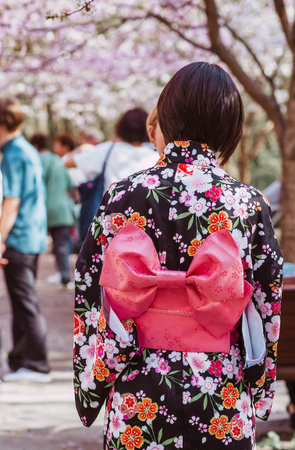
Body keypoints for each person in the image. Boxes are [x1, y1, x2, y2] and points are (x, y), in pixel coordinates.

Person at [73, 63, 283, 449]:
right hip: (220, 391)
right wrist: (261, 387)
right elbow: (267, 304)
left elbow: (90, 289)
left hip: (140, 387)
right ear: (230, 125)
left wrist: (93, 381)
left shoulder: (123, 194)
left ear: (166, 115)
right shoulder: (249, 203)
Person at [0, 98, 50, 382]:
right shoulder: (25, 149)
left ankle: (35, 363)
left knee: (24, 302)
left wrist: (0, 237)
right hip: (30, 235)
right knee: (22, 301)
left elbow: (12, 201)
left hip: (19, 236)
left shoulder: (14, 153)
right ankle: (22, 360)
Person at [65, 108, 158, 241]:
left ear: (120, 128)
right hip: (144, 224)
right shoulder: (154, 157)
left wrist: (82, 148)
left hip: (110, 223)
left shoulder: (108, 149)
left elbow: (68, 163)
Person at [31, 133, 75, 289]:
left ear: (34, 146)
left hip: (41, 211)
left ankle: (31, 279)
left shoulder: (36, 160)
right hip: (62, 211)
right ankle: (66, 278)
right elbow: (71, 185)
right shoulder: (58, 160)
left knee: (34, 245)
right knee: (61, 247)